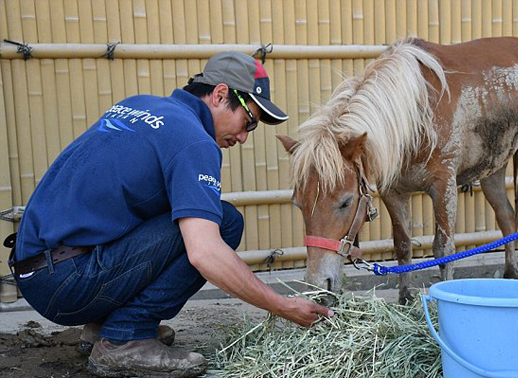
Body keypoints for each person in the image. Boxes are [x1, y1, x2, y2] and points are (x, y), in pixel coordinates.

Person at [8, 51, 333, 377]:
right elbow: (205, 254)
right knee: (225, 222)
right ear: (220, 95)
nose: (245, 137)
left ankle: (104, 325)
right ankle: (124, 338)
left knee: (180, 208)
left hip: (38, 270)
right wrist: (282, 306)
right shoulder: (194, 143)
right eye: (248, 121)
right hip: (66, 284)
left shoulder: (140, 104)